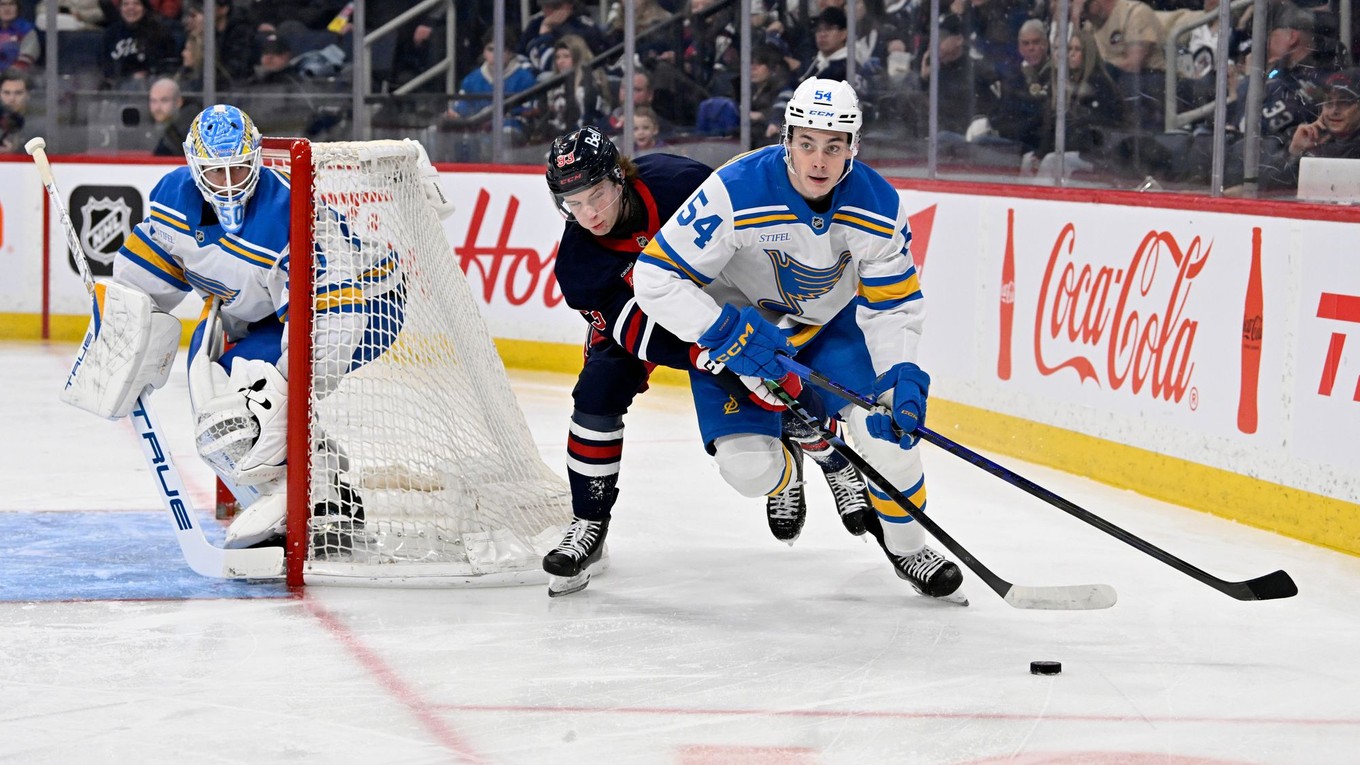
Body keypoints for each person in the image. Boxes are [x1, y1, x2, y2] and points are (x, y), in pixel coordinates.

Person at [59, 103, 455, 550]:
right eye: (215, 173)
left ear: (257, 158)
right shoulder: (171, 200)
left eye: (238, 169)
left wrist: (277, 397)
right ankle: (321, 488)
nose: (228, 184)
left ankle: (325, 502)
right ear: (194, 168)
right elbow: (143, 291)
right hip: (274, 309)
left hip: (367, 300)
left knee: (250, 393)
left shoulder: (292, 214)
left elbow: (334, 325)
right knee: (219, 378)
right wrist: (117, 335)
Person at [633, 78, 968, 604]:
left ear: (853, 148)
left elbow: (893, 305)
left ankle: (907, 549)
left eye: (834, 147)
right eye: (807, 143)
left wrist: (899, 375)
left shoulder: (877, 203)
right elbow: (654, 276)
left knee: (889, 440)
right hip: (744, 336)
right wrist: (723, 331)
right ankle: (794, 467)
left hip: (832, 327)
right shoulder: (733, 189)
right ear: (786, 139)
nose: (819, 160)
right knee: (747, 470)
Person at [541, 125, 872, 595]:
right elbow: (636, 331)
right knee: (596, 391)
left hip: (724, 298)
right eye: (572, 203)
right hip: (652, 326)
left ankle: (829, 454)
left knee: (770, 379)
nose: (588, 213)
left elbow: (748, 237)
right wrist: (708, 350)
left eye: (595, 194)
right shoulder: (577, 262)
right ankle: (589, 523)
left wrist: (745, 322)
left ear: (618, 178)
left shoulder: (681, 183)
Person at [146, 76, 190, 156]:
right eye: (153, 101)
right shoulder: (146, 133)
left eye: (164, 100)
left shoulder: (188, 135)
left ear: (178, 102)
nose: (157, 107)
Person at [0, 0, 40, 72]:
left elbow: (26, 60)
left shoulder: (26, 30)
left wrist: (6, 75)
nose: (7, 8)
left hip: (15, 77)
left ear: (18, 8)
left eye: (11, 4)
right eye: (2, 4)